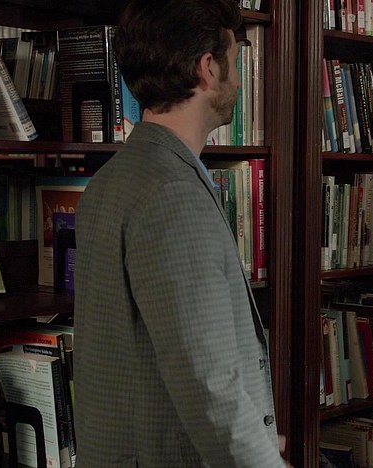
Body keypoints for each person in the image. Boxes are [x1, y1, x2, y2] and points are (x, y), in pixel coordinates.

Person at [73, 0, 288, 466]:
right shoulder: (173, 194)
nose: (238, 81)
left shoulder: (108, 181)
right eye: (234, 62)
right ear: (207, 69)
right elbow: (208, 381)